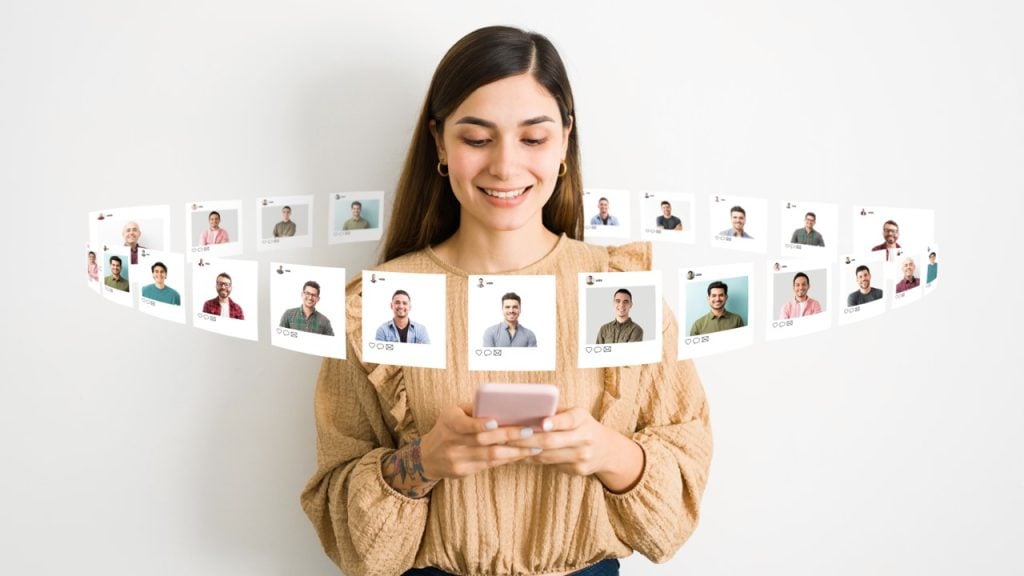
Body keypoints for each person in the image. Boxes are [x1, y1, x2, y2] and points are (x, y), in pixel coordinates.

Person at [301, 26, 711, 576]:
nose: (505, 166)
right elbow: (348, 533)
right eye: (477, 139)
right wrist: (423, 462)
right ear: (440, 144)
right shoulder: (374, 302)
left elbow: (676, 509)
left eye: (533, 138)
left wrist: (609, 453)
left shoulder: (620, 285)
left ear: (565, 139)